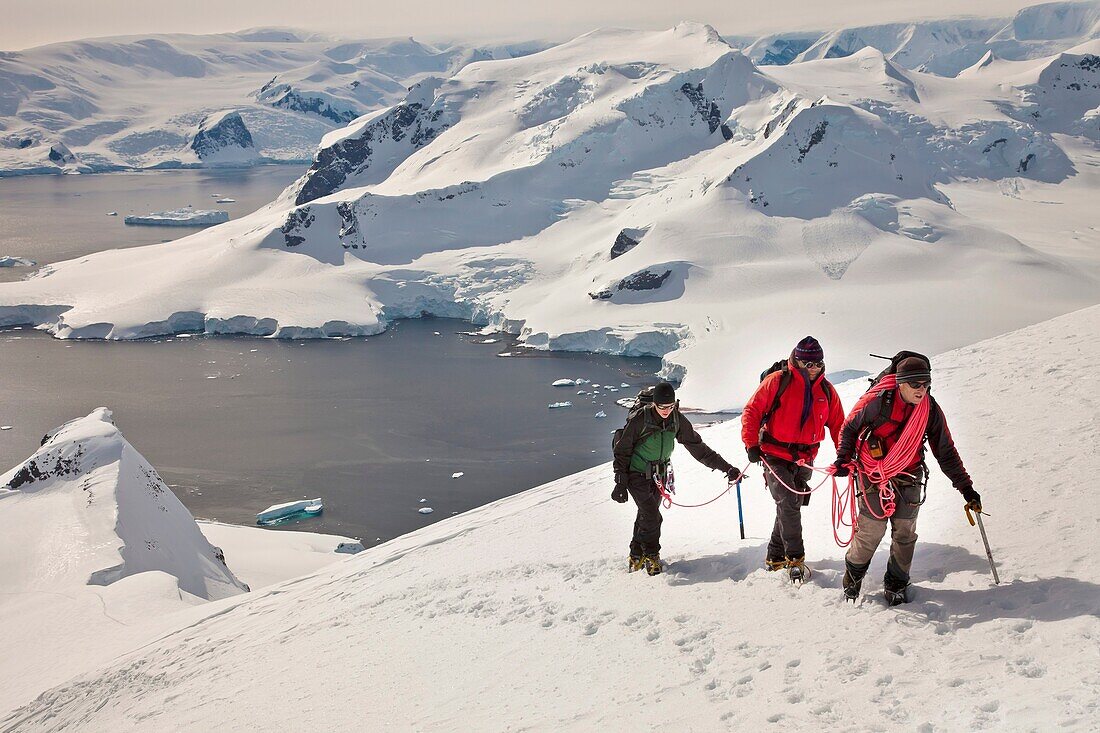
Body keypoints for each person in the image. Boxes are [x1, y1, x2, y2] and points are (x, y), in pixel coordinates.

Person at [832, 355, 980, 605]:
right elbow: (849, 428)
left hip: (910, 472)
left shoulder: (929, 409)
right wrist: (843, 459)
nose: (921, 390)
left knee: (905, 531)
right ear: (900, 383)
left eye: (926, 384)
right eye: (915, 384)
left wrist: (966, 488)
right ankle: (853, 576)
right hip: (872, 473)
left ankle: (897, 583)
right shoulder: (876, 402)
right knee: (871, 529)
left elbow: (945, 451)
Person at [741, 336, 845, 581]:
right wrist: (751, 444)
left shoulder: (827, 391)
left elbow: (839, 425)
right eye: (809, 364)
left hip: (805, 458)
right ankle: (795, 559)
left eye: (818, 364)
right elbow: (752, 411)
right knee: (788, 503)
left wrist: (845, 455)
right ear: (797, 361)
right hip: (774, 454)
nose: (814, 369)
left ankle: (774, 556)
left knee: (790, 505)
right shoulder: (777, 381)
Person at [612, 381, 741, 575]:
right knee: (652, 515)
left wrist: (727, 468)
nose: (666, 411)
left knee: (647, 514)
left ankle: (636, 554)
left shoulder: (676, 420)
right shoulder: (641, 419)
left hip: (659, 475)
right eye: (662, 407)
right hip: (636, 474)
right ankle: (652, 556)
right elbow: (622, 451)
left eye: (670, 406)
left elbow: (699, 449)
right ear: (654, 404)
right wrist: (620, 483)